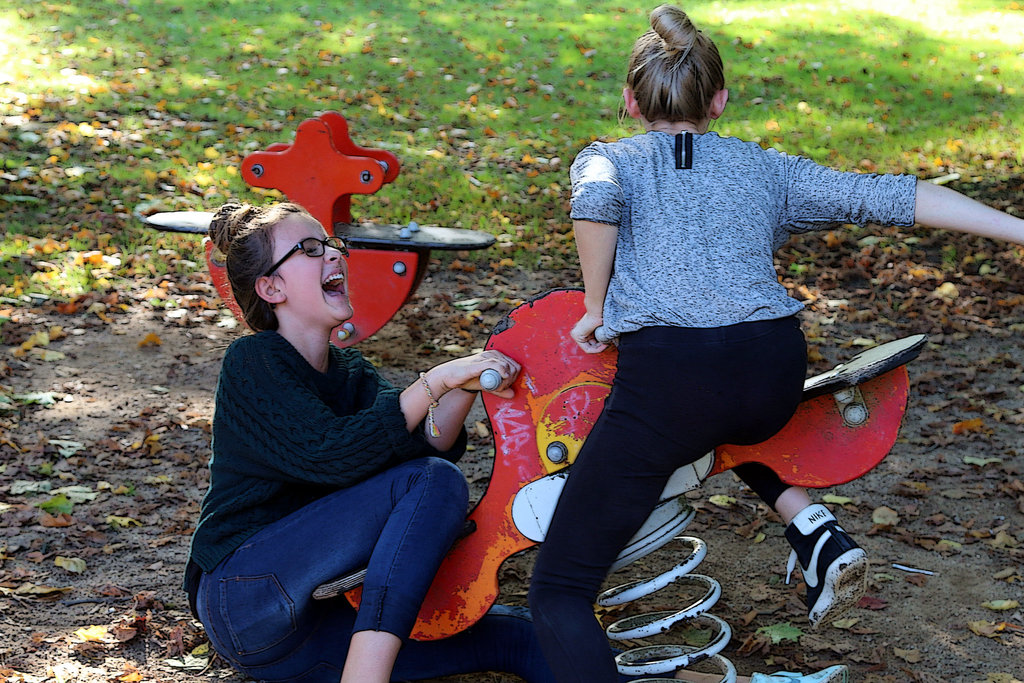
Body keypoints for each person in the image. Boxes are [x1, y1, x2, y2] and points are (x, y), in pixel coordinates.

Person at [527, 5, 1024, 683]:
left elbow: (595, 201)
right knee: (718, 425)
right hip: (771, 373)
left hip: (676, 379)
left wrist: (594, 304)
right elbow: (893, 197)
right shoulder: (766, 169)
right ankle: (811, 527)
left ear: (629, 101)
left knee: (556, 591)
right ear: (720, 102)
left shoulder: (608, 157)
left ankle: (804, 527)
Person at [182, 201, 554, 683]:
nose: (335, 256)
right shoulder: (254, 362)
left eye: (333, 245)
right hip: (247, 596)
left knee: (520, 637)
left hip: (311, 635)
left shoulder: (351, 372)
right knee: (433, 481)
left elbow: (421, 446)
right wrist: (436, 381)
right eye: (310, 249)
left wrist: (465, 384)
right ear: (271, 287)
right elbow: (333, 453)